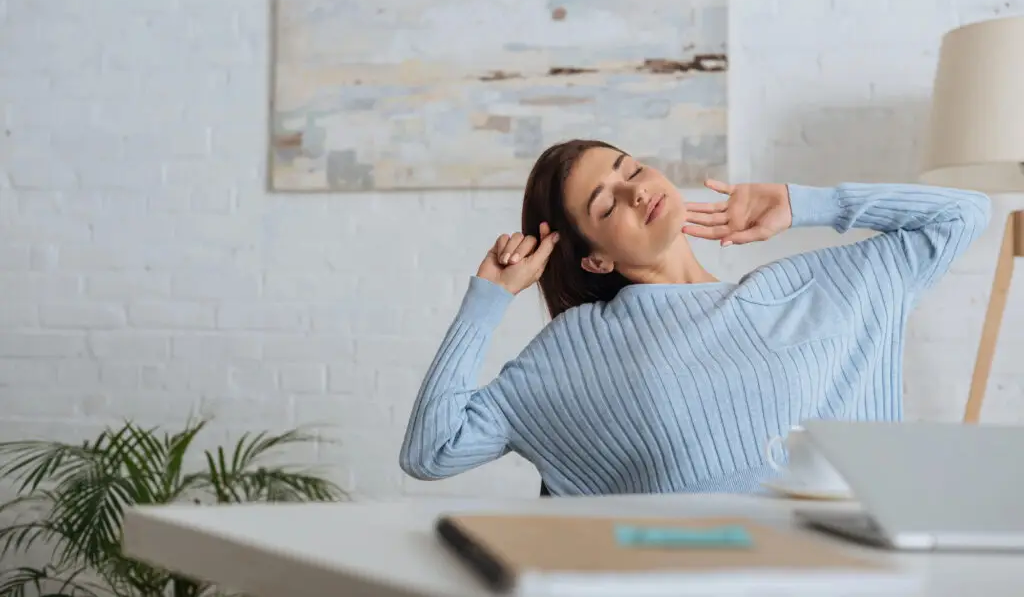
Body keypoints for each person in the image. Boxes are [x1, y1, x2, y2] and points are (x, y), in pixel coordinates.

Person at [398, 138, 991, 496]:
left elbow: (965, 215)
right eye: (605, 204)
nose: (634, 192)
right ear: (596, 258)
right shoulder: (576, 350)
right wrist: (488, 299)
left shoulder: (807, 290)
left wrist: (805, 203)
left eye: (630, 170)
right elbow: (431, 451)